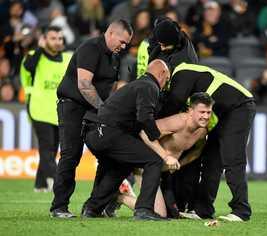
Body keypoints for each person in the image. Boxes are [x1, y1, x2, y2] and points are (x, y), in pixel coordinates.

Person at [50, 19, 133, 218]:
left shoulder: (114, 56)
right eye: (121, 42)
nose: (123, 47)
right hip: (73, 106)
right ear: (111, 33)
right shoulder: (91, 48)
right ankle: (59, 207)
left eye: (126, 44)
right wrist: (105, 110)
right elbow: (84, 85)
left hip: (96, 109)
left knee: (109, 154)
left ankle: (96, 206)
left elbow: (111, 88)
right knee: (71, 155)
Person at [80, 59, 180, 221]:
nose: (165, 85)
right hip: (108, 132)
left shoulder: (136, 85)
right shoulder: (150, 86)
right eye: (167, 80)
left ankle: (92, 208)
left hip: (92, 132)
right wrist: (156, 138)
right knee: (153, 160)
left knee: (118, 167)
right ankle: (144, 209)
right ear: (161, 74)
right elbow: (144, 118)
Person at [160, 62, 256, 222]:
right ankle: (203, 210)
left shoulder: (181, 72)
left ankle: (241, 210)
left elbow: (174, 104)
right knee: (211, 161)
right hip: (222, 112)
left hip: (240, 106)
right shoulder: (186, 73)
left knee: (233, 159)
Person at [117, 92, 215, 217]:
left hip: (163, 173)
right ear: (191, 111)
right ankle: (118, 196)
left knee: (172, 215)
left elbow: (197, 152)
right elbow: (144, 133)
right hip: (145, 168)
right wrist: (166, 156)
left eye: (208, 112)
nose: (206, 117)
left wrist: (180, 164)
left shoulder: (201, 131)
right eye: (202, 112)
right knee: (159, 214)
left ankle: (122, 190)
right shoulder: (178, 122)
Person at [20, 26, 71, 192]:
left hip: (58, 111)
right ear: (44, 39)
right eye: (53, 38)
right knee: (47, 148)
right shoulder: (34, 57)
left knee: (52, 149)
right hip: (39, 109)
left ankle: (40, 184)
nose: (57, 42)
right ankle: (59, 186)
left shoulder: (66, 58)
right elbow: (28, 68)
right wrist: (40, 49)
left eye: (60, 39)